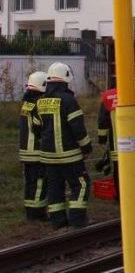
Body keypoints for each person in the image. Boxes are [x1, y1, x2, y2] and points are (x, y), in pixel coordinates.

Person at [34, 62, 92, 228]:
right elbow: (78, 128)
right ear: (65, 79)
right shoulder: (68, 100)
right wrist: (87, 147)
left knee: (54, 188)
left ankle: (58, 221)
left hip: (48, 157)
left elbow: (35, 128)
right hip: (70, 156)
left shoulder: (41, 101)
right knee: (81, 185)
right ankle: (77, 220)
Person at [97, 80, 135, 201]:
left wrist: (102, 139)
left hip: (116, 143)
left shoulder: (107, 97)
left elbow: (102, 120)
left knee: (118, 169)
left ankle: (120, 196)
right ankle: (133, 194)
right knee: (134, 168)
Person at [19, 71, 48, 221]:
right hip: (36, 150)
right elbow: (40, 126)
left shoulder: (26, 102)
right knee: (39, 182)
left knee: (30, 182)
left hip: (25, 150)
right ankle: (37, 213)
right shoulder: (38, 103)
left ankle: (30, 210)